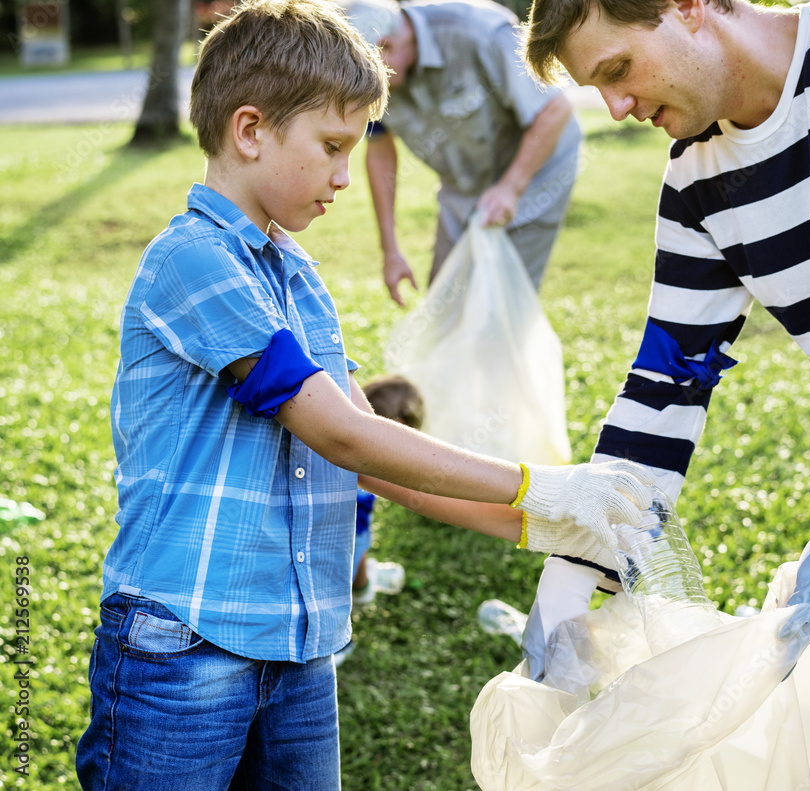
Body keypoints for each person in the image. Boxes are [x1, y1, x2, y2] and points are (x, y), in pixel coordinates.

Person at [73, 1, 655, 788]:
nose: (347, 175)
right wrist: (540, 484)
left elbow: (374, 454)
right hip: (186, 648)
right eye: (333, 147)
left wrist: (545, 525)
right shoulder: (194, 262)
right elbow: (338, 433)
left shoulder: (299, 280)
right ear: (250, 131)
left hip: (301, 649)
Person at [519, 0, 810, 789]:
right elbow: (666, 389)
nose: (614, 107)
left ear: (691, 8)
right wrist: (577, 573)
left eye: (617, 70)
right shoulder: (695, 181)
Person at [340, 0, 583, 306]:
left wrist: (510, 188)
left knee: (501, 303)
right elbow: (379, 152)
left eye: (369, 74)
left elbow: (554, 108)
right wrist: (390, 250)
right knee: (444, 298)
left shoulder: (478, 32)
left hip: (535, 176)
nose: (365, 90)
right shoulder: (371, 71)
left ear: (385, 46)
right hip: (463, 184)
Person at [335, 374, 424, 666]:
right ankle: (337, 640)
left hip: (354, 533)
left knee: (359, 550)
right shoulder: (363, 466)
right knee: (337, 579)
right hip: (335, 542)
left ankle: (362, 589)